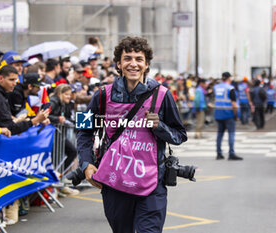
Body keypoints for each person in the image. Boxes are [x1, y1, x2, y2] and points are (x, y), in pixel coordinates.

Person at [77, 36, 187, 233]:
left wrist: (159, 126)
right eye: (127, 58)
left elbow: (179, 135)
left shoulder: (162, 95)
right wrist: (87, 164)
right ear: (118, 64)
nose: (133, 64)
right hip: (115, 182)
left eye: (139, 59)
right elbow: (83, 131)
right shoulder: (101, 95)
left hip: (152, 183)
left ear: (146, 65)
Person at [0, 65, 49, 135]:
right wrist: (35, 120)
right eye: (11, 80)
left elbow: (10, 121)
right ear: (1, 78)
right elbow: (10, 128)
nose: (14, 83)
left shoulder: (3, 94)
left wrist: (29, 120)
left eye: (15, 80)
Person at [214, 72, 243, 160]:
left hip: (218, 114)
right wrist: (236, 115)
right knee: (231, 134)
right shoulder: (230, 88)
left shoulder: (216, 87)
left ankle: (219, 153)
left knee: (219, 134)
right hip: (229, 114)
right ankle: (231, 153)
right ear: (229, 78)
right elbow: (234, 104)